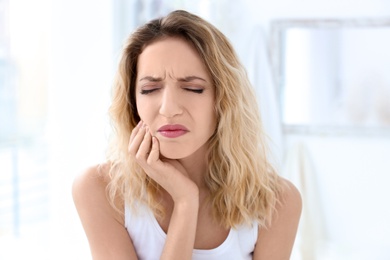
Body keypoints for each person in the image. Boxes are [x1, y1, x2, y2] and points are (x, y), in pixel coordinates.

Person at [72, 10, 302, 260]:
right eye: (149, 89)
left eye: (193, 88)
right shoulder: (101, 190)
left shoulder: (277, 202)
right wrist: (185, 203)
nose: (169, 108)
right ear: (132, 101)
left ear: (223, 100)